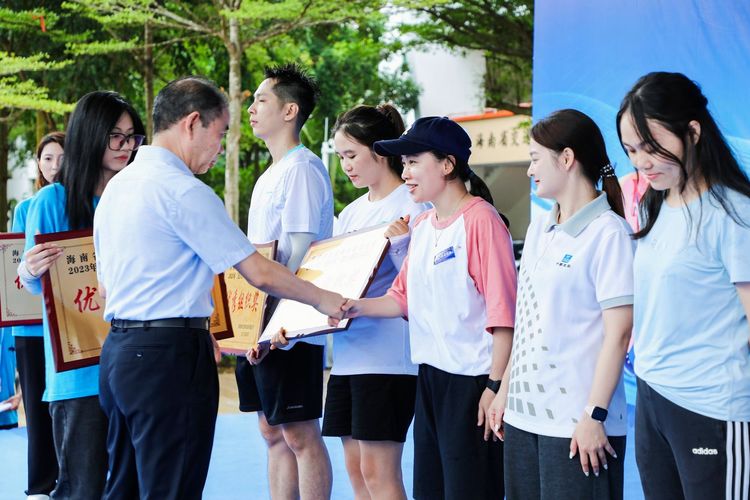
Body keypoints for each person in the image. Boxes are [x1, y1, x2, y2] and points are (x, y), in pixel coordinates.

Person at [92, 76, 345, 500]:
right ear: (193, 123)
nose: (221, 146)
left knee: (125, 487)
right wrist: (326, 299)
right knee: (172, 488)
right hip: (168, 358)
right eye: (221, 132)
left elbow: (104, 286)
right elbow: (257, 272)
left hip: (119, 353)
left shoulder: (117, 187)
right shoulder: (183, 190)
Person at [320, 116, 517, 499]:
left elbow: (503, 314)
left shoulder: (482, 220)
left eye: (413, 162)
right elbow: (401, 298)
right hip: (430, 379)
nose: (406, 172)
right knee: (431, 490)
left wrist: (495, 387)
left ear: (447, 165)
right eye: (404, 163)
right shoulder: (423, 224)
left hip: (473, 382)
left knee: (470, 489)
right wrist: (351, 307)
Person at [487, 109, 633, 500]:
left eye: (535, 158)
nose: (529, 169)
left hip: (578, 425)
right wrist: (505, 391)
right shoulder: (540, 227)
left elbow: (619, 335)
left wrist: (594, 415)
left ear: (566, 158)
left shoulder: (610, 234)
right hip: (524, 417)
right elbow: (528, 322)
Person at [616, 71, 750, 499]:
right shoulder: (653, 204)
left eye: (651, 146)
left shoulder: (734, 213)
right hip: (653, 397)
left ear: (692, 132)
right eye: (631, 150)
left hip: (712, 405)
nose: (641, 162)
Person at [17, 92, 145, 500]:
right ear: (89, 135)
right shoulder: (52, 201)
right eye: (115, 136)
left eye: (132, 136)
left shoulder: (138, 197)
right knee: (82, 488)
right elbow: (35, 283)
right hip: (78, 371)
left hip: (135, 363)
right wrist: (28, 269)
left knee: (133, 486)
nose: (126, 146)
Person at [238, 63, 335, 500]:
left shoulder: (302, 169)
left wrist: (278, 323)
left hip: (289, 323)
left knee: (299, 433)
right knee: (271, 430)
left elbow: (299, 252)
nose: (252, 108)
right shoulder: (269, 174)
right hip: (258, 319)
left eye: (261, 100)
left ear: (290, 110)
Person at [324, 104, 429, 499]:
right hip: (347, 356)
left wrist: (401, 245)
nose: (346, 166)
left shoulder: (413, 204)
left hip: (389, 359)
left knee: (379, 472)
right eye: (341, 157)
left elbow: (418, 284)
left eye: (352, 155)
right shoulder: (350, 213)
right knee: (356, 470)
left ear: (380, 151)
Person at [11, 131, 65, 499]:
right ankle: (41, 485)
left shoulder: (88, 202)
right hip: (31, 326)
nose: (54, 165)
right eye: (47, 158)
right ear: (38, 164)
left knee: (70, 405)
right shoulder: (26, 209)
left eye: (62, 157)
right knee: (35, 402)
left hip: (72, 323)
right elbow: (16, 266)